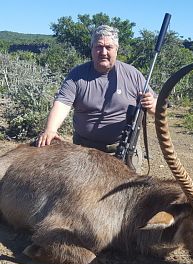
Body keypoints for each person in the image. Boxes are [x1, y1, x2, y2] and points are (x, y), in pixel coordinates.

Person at [37, 25, 157, 172]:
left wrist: (152, 105)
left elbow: (157, 108)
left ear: (116, 49)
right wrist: (50, 129)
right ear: (92, 48)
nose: (103, 52)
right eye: (99, 47)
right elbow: (62, 103)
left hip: (123, 149)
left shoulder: (132, 74)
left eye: (109, 47)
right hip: (85, 151)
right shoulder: (77, 75)